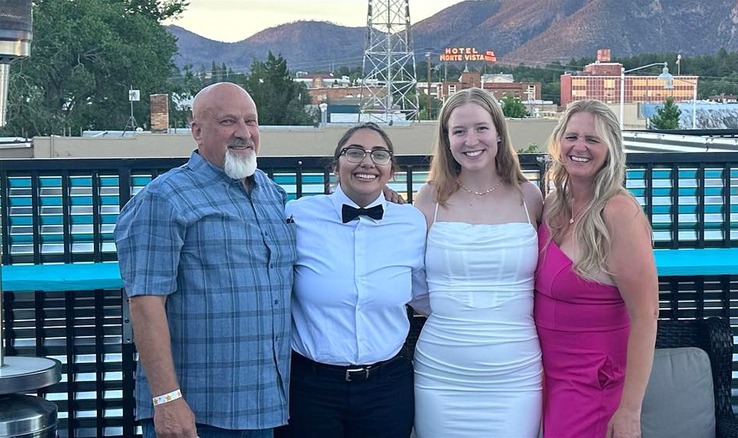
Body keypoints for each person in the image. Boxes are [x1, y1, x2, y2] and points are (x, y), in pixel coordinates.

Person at [115, 82, 295, 438]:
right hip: (199, 414)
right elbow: (145, 302)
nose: (243, 133)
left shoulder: (272, 195)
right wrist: (167, 400)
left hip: (265, 406)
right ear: (197, 130)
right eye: (228, 122)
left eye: (251, 121)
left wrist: (381, 194)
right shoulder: (164, 198)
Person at [279, 122, 427, 438]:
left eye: (379, 154)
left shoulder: (412, 223)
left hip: (387, 387)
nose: (367, 162)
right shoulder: (297, 215)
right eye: (355, 152)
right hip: (311, 388)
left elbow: (423, 293)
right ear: (336, 165)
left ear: (391, 170)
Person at [412, 87, 544, 437]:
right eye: (459, 131)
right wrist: (452, 311)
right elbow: (410, 277)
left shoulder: (530, 197)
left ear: (499, 133)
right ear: (447, 140)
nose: (471, 140)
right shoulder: (429, 199)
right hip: (442, 374)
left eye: (481, 128)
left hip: (516, 374)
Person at [534, 99, 659, 438]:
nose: (579, 147)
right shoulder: (553, 204)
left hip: (593, 382)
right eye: (572, 136)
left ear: (610, 150)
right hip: (546, 374)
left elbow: (646, 315)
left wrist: (630, 411)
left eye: (592, 139)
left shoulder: (619, 213)